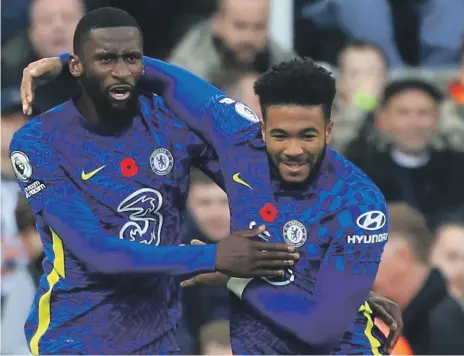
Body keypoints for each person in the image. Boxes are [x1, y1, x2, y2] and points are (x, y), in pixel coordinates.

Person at [21, 27, 403, 356]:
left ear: (329, 132)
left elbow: (322, 329)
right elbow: (166, 79)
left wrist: (231, 275)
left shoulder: (358, 203)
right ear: (261, 127)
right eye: (280, 135)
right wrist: (68, 62)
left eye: (309, 135)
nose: (293, 150)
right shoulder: (238, 138)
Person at [10, 8, 299, 355]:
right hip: (75, 339)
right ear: (77, 67)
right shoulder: (39, 142)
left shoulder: (169, 121)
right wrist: (214, 256)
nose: (121, 72)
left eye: (132, 59)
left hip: (160, 340)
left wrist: (350, 292)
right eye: (104, 59)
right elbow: (98, 253)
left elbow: (261, 193)